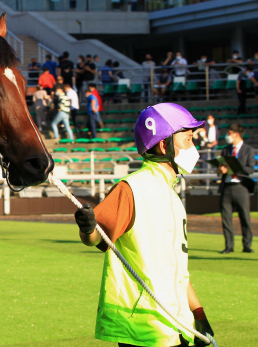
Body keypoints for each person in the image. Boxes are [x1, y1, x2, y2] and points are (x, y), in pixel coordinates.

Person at [74, 103, 215, 347]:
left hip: (177, 325)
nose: (194, 147)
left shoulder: (173, 196)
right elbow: (97, 238)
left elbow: (176, 266)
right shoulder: (131, 188)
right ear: (164, 144)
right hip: (144, 328)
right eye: (189, 139)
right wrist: (87, 228)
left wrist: (198, 313)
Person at [218, 123, 255, 254]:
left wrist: (237, 168)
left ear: (236, 134)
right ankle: (229, 245)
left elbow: (251, 168)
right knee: (226, 218)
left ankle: (247, 245)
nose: (228, 136)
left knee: (244, 217)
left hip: (241, 186)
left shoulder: (248, 150)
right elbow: (220, 167)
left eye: (229, 133)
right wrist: (220, 170)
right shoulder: (226, 149)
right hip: (227, 186)